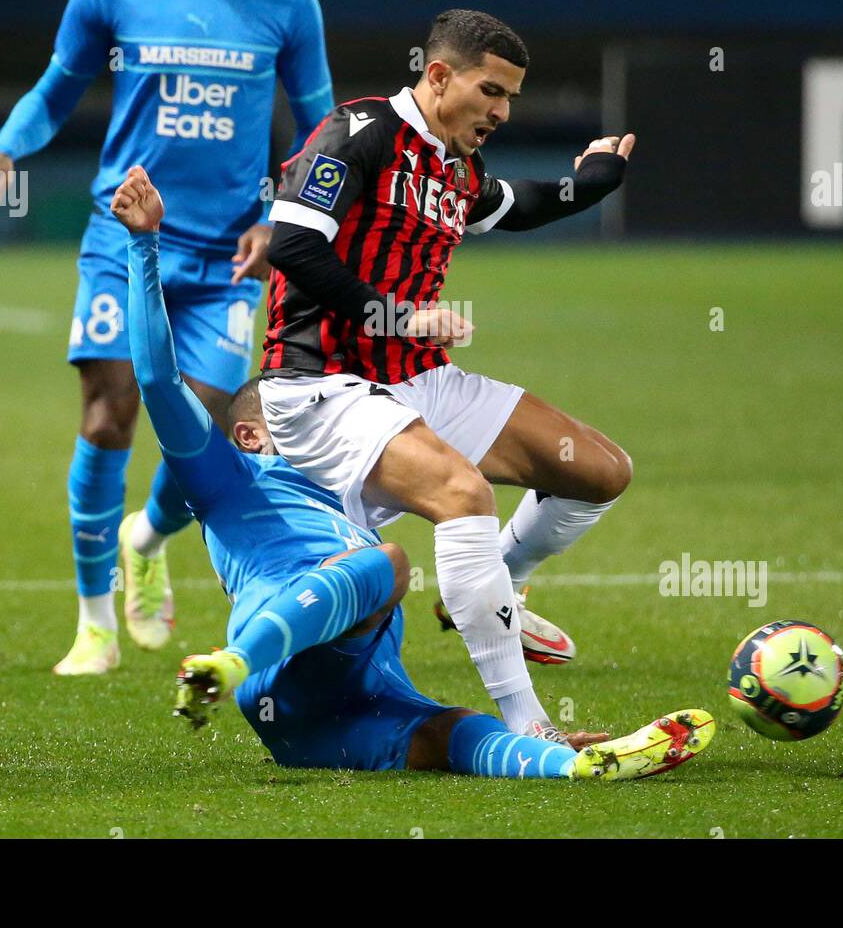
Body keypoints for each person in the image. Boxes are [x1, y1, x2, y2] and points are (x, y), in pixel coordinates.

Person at [112, 163, 714, 781]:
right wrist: (143, 243)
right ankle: (228, 661)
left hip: (327, 717)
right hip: (276, 663)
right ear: (251, 433)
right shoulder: (227, 479)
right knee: (389, 565)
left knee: (455, 731)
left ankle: (569, 763)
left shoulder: (354, 485)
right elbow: (159, 378)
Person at [0, 0, 333, 674]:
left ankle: (146, 535)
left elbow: (320, 128)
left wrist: (282, 215)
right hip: (123, 236)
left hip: (228, 255)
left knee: (196, 432)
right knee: (109, 410)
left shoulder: (287, 1)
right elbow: (58, 87)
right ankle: (93, 624)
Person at [258, 9, 634, 739]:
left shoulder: (454, 166)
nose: (500, 111)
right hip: (323, 385)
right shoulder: (357, 135)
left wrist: (585, 186)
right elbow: (294, 248)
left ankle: (506, 586)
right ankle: (530, 730)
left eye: (511, 99)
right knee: (464, 495)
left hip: (417, 378)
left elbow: (510, 206)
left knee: (599, 471)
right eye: (491, 91)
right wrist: (396, 315)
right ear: (438, 75)